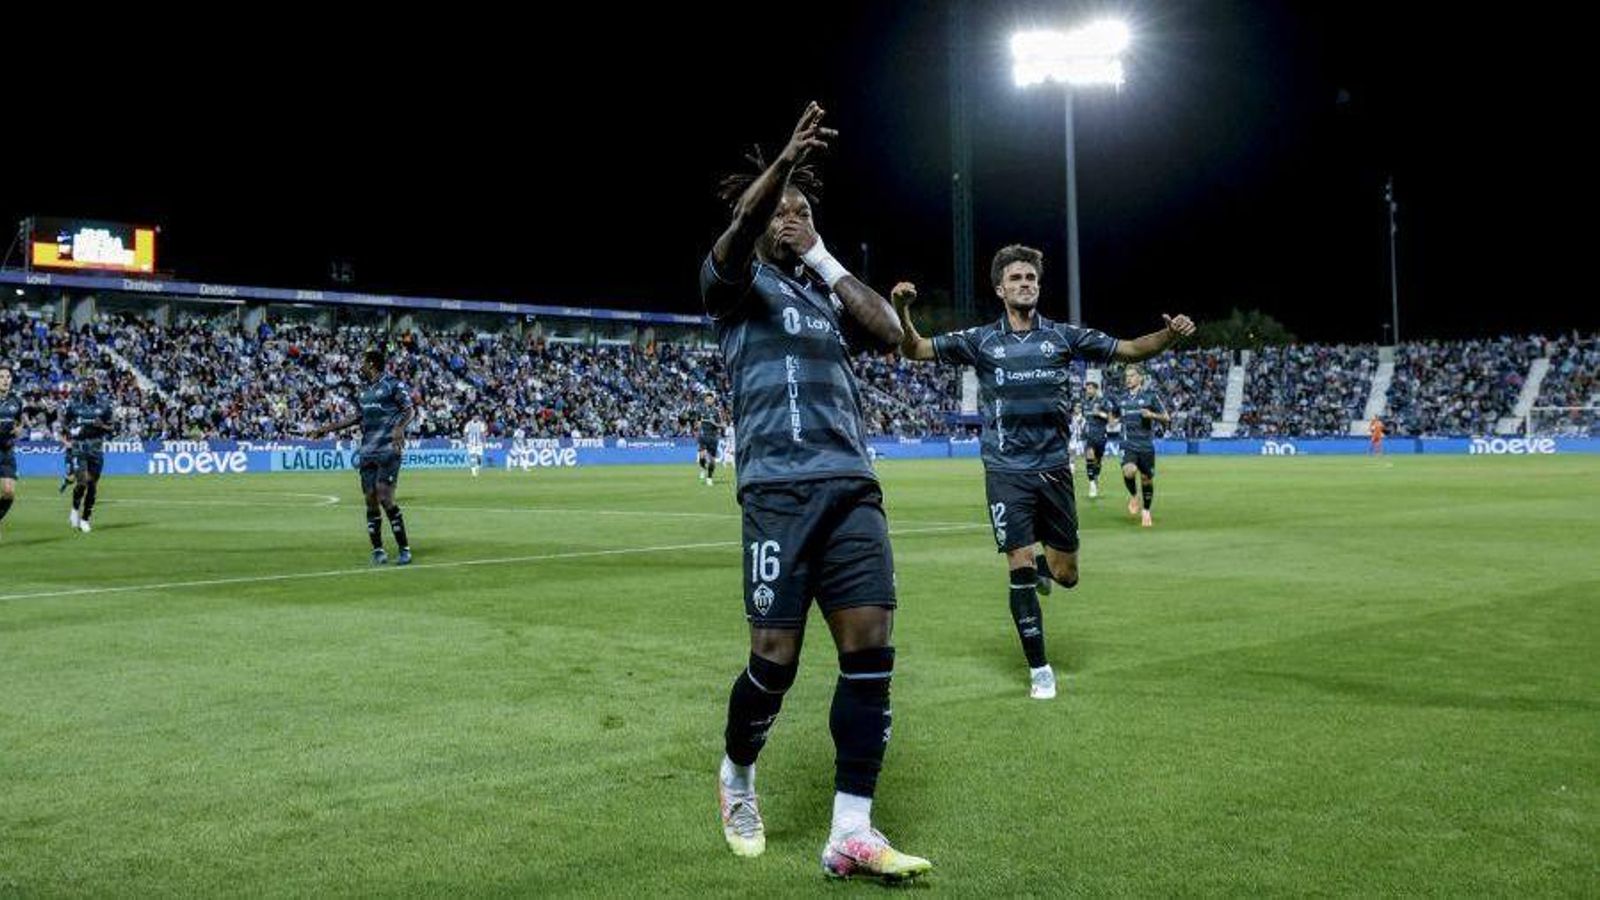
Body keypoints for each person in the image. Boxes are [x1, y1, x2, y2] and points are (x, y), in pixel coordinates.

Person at [703, 102, 929, 881]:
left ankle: (851, 831)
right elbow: (736, 231)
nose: (789, 217)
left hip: (851, 487)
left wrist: (825, 254)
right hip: (776, 491)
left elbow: (895, 334)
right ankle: (737, 777)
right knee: (775, 661)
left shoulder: (827, 293)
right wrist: (775, 179)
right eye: (779, 209)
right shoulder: (732, 286)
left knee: (870, 653)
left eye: (802, 210)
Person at [893, 244, 1195, 697]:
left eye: (1030, 278)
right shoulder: (981, 340)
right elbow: (914, 349)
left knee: (1067, 574)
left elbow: (1130, 350)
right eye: (1015, 279)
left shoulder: (1063, 337)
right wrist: (902, 310)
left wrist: (1168, 335)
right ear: (1000, 289)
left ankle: (1042, 567)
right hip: (1005, 469)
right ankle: (1039, 669)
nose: (1025, 284)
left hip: (1054, 469)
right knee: (1016, 566)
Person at [306, 348, 415, 565]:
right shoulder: (364, 391)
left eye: (363, 362)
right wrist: (325, 429)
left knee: (385, 497)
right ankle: (378, 550)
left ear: (373, 363)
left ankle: (404, 548)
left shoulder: (393, 384)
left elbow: (409, 410)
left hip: (388, 450)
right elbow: (356, 418)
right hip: (367, 452)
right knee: (370, 500)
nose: (360, 366)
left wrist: (400, 428)